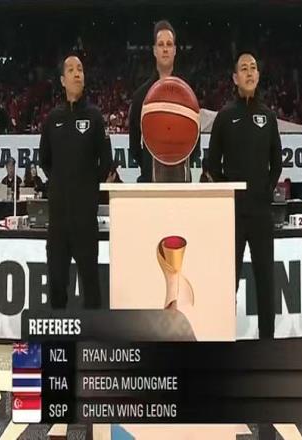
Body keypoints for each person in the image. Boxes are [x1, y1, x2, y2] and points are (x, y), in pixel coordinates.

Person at [208, 50, 282, 340]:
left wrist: (266, 189)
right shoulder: (225, 116)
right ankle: (224, 340)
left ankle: (268, 346)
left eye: (253, 67)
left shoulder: (268, 116)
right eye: (244, 68)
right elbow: (212, 166)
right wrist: (229, 192)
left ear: (258, 75)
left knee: (265, 282)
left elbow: (277, 162)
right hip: (233, 215)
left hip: (261, 213)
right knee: (228, 284)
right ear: (235, 78)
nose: (249, 72)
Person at [39, 54, 112, 311]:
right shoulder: (52, 119)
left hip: (85, 217)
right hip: (58, 217)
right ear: (62, 80)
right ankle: (58, 332)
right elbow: (44, 160)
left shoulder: (95, 116)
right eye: (70, 69)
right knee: (57, 283)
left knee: (90, 283)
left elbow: (105, 161)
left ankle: (92, 333)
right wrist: (62, 184)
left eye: (80, 68)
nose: (77, 73)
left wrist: (87, 186)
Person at [129, 20, 199, 182]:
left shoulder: (187, 93)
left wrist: (179, 160)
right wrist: (148, 164)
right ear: (154, 50)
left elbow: (196, 141)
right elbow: (134, 146)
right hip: (150, 182)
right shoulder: (141, 95)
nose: (165, 49)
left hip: (182, 180)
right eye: (161, 44)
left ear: (175, 50)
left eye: (169, 44)